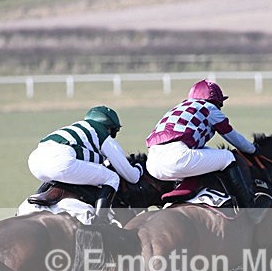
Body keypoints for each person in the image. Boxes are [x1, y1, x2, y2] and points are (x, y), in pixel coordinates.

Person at [145, 79, 260, 216]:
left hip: (152, 164)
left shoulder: (180, 107)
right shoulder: (209, 108)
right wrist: (253, 150)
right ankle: (250, 208)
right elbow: (233, 137)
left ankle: (180, 197)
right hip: (177, 157)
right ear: (216, 101)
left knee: (206, 154)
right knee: (228, 157)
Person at [27, 106, 142, 223]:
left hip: (35, 162)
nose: (112, 136)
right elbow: (132, 177)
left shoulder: (78, 129)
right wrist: (138, 168)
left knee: (58, 175)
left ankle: (31, 204)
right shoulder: (101, 133)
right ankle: (100, 222)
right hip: (61, 162)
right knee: (112, 178)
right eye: (113, 132)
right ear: (109, 128)